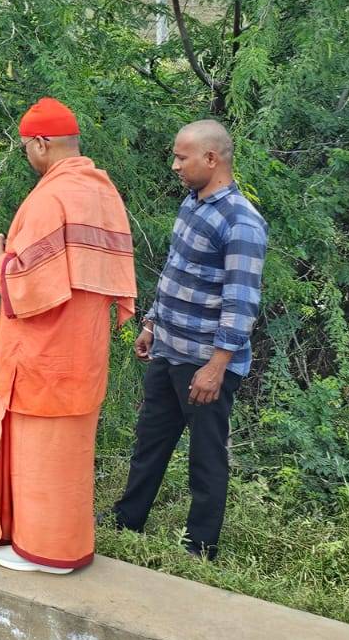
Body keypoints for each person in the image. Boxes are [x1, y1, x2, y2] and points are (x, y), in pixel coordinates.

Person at [0, 97, 136, 575]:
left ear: (42, 143)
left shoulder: (50, 197)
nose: (27, 155)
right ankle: (61, 544)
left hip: (43, 354)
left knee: (41, 455)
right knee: (71, 455)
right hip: (83, 351)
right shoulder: (101, 190)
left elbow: (31, 285)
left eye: (27, 146)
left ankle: (46, 553)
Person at [110, 119, 266, 560]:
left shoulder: (242, 223)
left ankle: (200, 549)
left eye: (182, 157)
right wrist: (152, 324)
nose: (175, 165)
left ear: (211, 159)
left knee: (205, 459)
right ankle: (128, 521)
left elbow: (241, 305)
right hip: (168, 351)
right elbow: (176, 273)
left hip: (204, 365)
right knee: (149, 443)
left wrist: (216, 367)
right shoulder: (193, 204)